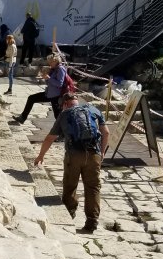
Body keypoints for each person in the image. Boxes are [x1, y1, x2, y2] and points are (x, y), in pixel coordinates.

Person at [33, 92, 109, 235]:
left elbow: (50, 138)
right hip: (94, 154)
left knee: (70, 185)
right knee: (93, 187)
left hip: (73, 154)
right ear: (77, 101)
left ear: (65, 104)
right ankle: (92, 221)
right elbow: (106, 132)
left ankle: (68, 214)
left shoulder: (65, 114)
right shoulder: (93, 110)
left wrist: (41, 155)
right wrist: (102, 152)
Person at [15, 54, 66, 124]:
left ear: (55, 61)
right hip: (49, 94)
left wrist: (49, 78)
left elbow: (60, 83)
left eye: (50, 62)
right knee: (31, 98)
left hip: (55, 96)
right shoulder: (54, 69)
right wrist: (45, 77)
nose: (49, 64)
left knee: (57, 116)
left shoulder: (60, 69)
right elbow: (50, 83)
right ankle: (22, 118)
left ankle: (65, 129)